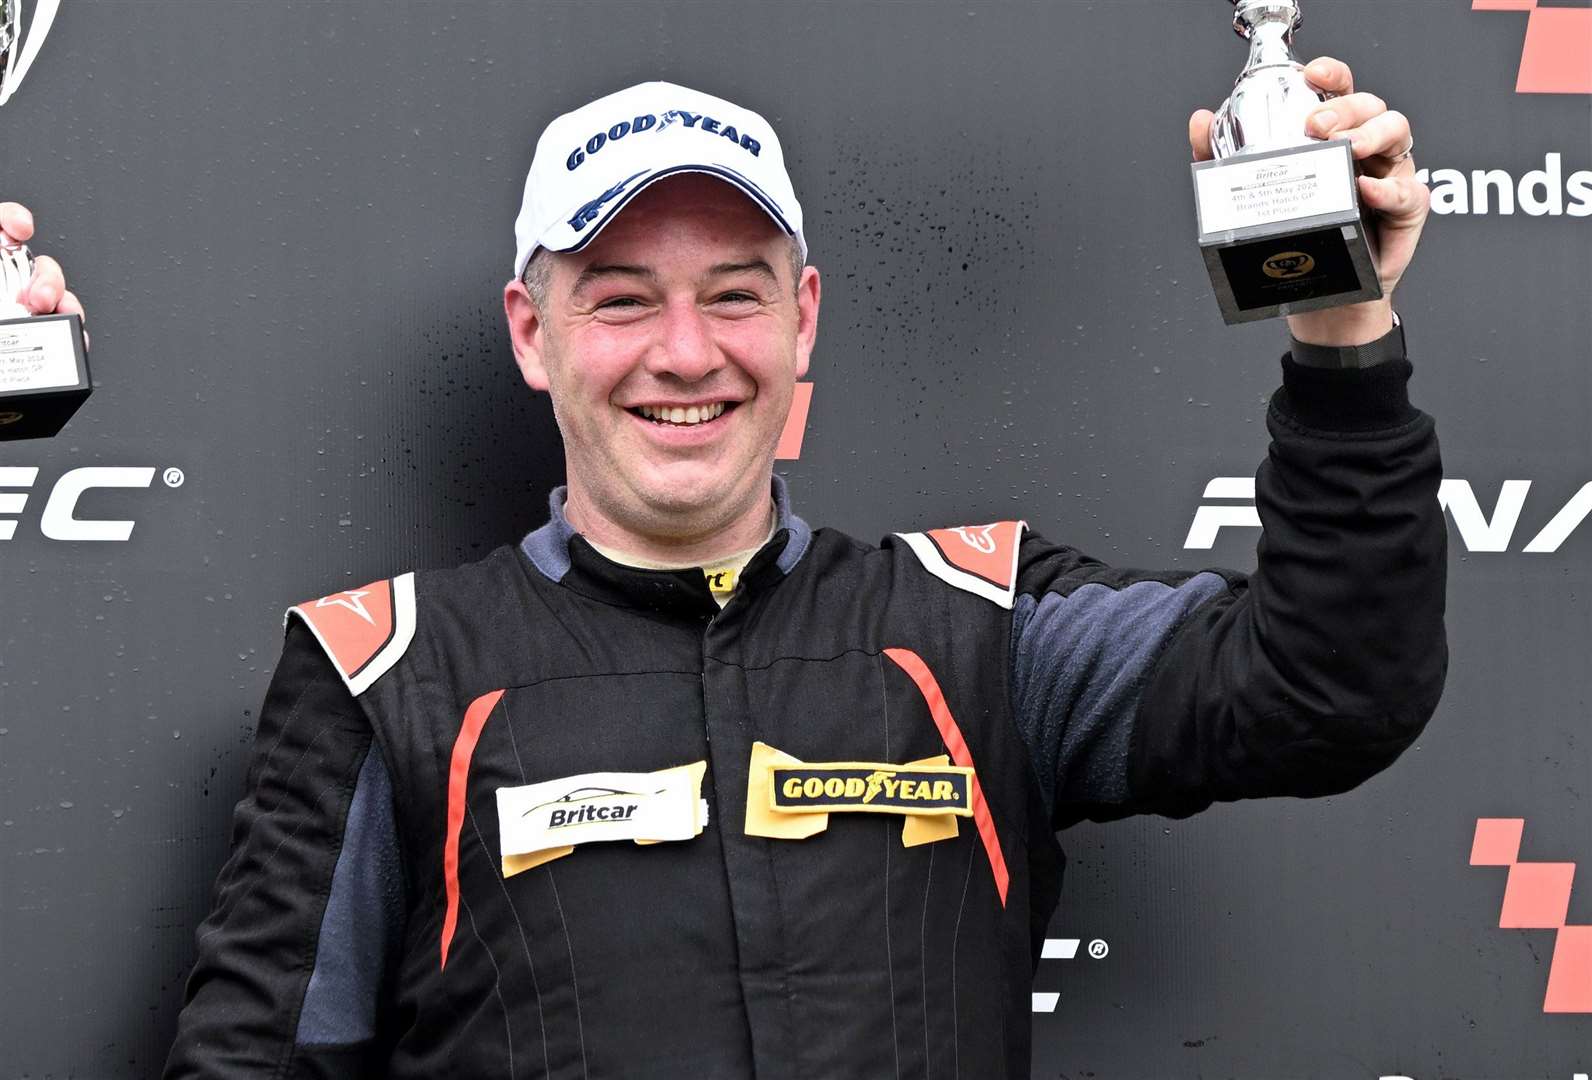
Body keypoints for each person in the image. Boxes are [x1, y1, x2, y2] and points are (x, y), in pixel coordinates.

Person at [8, 60, 1443, 1079]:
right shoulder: (382, 671)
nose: (685, 354)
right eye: (621, 301)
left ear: (804, 318)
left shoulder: (979, 628)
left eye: (735, 296)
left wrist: (1339, 329)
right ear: (532, 333)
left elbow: (1327, 689)